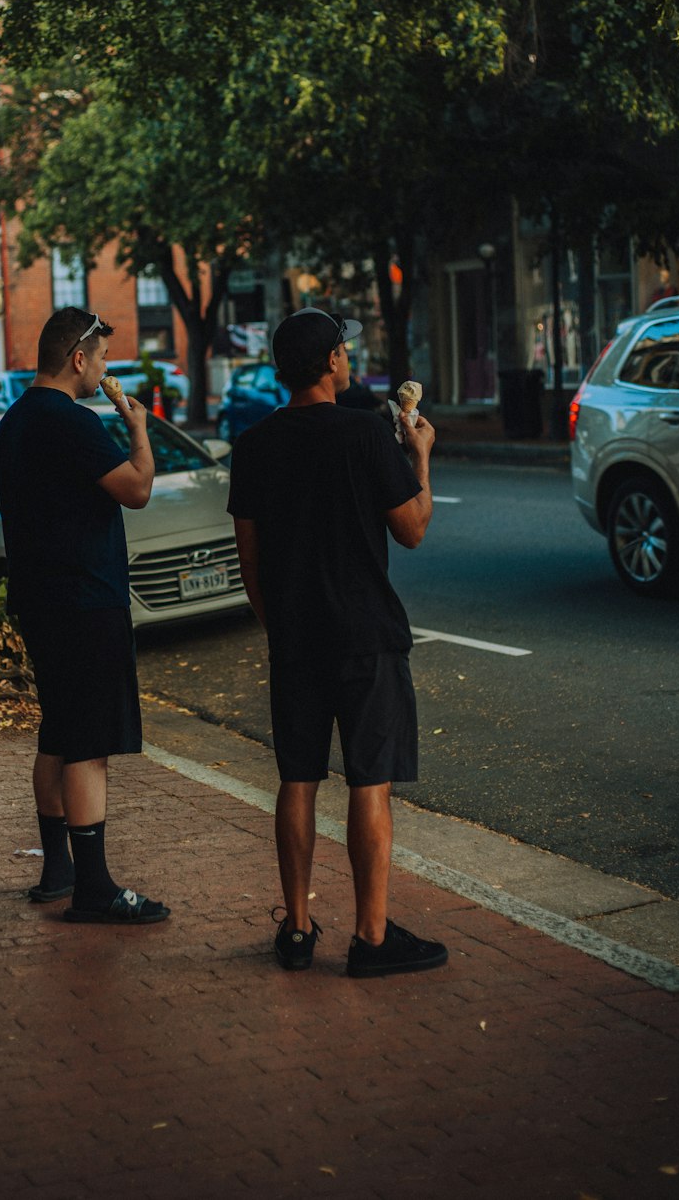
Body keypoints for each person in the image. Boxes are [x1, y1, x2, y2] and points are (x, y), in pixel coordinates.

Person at [227, 307, 447, 978]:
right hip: (366, 637)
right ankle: (371, 937)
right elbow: (412, 527)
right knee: (368, 781)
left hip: (296, 640)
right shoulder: (364, 433)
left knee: (297, 778)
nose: (348, 358)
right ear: (330, 363)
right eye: (344, 351)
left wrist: (280, 624)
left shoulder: (255, 443)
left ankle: (296, 929)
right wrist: (422, 456)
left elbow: (250, 560)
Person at [0, 306, 169, 926]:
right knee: (88, 746)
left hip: (40, 601)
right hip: (86, 602)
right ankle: (95, 889)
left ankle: (57, 870)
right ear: (77, 359)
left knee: (60, 733)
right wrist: (137, 427)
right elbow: (138, 489)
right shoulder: (71, 421)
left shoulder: (12, 423)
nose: (103, 370)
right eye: (100, 359)